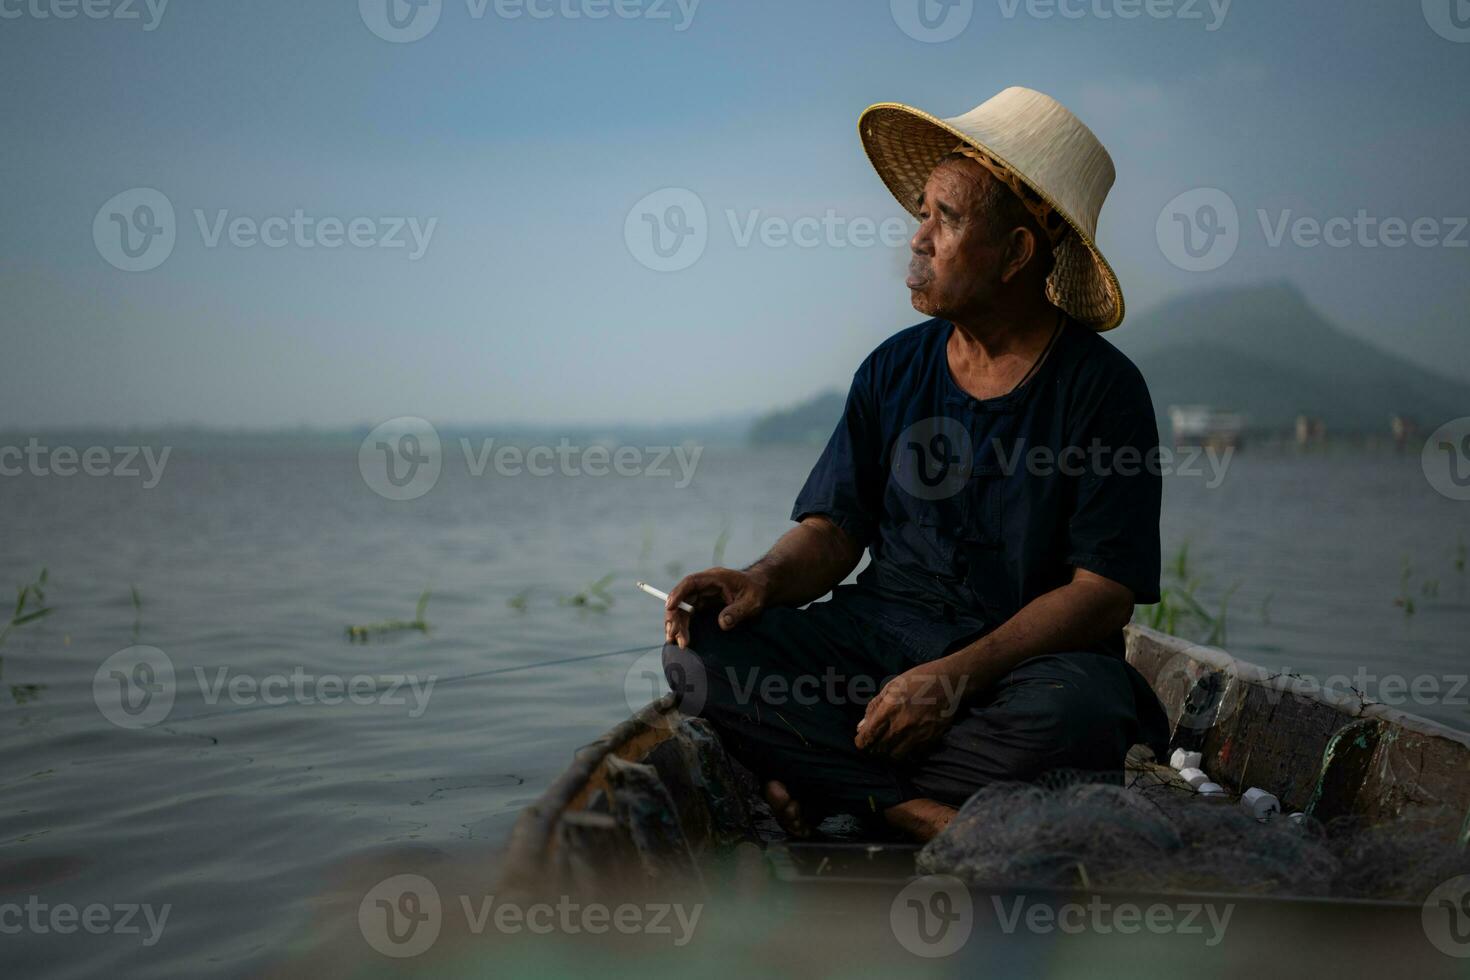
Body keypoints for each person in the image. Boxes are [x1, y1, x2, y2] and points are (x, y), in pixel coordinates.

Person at [662, 87, 1169, 842]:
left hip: (1021, 668)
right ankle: (915, 812)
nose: (918, 239)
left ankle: (825, 782)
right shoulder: (891, 371)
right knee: (705, 652)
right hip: (877, 643)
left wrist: (953, 678)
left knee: (1080, 718)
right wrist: (759, 580)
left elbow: (1102, 594)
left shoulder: (1102, 390)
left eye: (948, 219)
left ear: (1017, 254)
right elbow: (834, 531)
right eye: (922, 213)